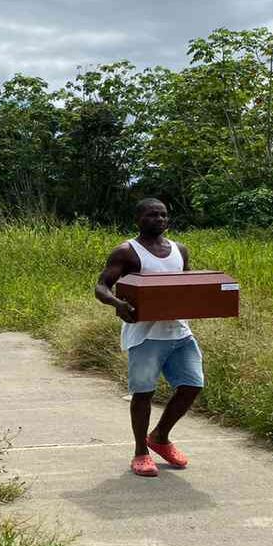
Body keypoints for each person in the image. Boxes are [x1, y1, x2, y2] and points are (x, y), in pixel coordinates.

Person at [95, 198, 202, 477]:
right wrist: (118, 304)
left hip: (179, 331)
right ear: (138, 219)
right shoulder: (126, 251)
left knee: (192, 385)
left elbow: (186, 284)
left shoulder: (180, 250)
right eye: (152, 214)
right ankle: (140, 452)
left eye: (164, 215)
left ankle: (160, 437)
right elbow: (102, 286)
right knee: (144, 393)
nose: (159, 219)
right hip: (145, 335)